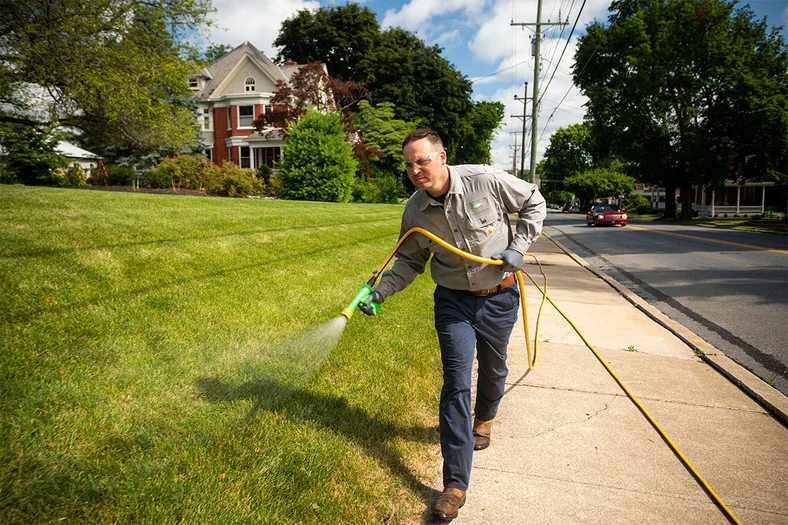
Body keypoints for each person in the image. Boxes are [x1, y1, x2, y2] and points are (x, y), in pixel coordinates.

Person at [358, 129, 546, 521]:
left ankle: (485, 419)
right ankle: (455, 485)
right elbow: (410, 261)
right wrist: (380, 293)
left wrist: (519, 247)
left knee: (494, 371)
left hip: (500, 296)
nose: (415, 170)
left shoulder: (485, 179)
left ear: (442, 158)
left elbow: (533, 200)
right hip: (453, 302)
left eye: (422, 161)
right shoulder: (415, 210)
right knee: (456, 382)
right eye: (409, 164)